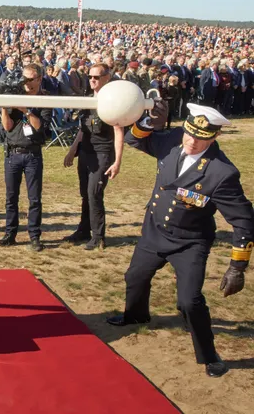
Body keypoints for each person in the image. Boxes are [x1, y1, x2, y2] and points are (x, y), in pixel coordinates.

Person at [108, 103, 254, 378]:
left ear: (214, 138)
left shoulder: (222, 173)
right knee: (135, 277)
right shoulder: (174, 140)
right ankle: (136, 315)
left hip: (190, 242)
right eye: (189, 133)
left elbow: (244, 220)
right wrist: (149, 122)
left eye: (200, 137)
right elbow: (132, 140)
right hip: (155, 232)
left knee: (189, 301)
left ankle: (209, 355)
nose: (191, 141)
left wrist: (237, 266)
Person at [63, 63, 124, 250]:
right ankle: (84, 230)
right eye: (90, 77)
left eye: (96, 77)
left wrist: (117, 162)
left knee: (94, 194)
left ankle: (98, 236)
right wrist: (72, 151)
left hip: (103, 153)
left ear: (107, 78)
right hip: (86, 152)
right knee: (85, 194)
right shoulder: (88, 100)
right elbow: (83, 129)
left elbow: (118, 132)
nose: (92, 80)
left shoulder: (112, 102)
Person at [0, 63, 52, 252]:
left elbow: (39, 127)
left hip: (32, 154)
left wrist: (25, 110)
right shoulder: (15, 95)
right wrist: (4, 108)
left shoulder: (44, 100)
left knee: (34, 199)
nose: (27, 83)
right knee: (11, 197)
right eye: (24, 79)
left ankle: (34, 236)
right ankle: (10, 233)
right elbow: (7, 126)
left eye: (31, 79)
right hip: (13, 153)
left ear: (39, 79)